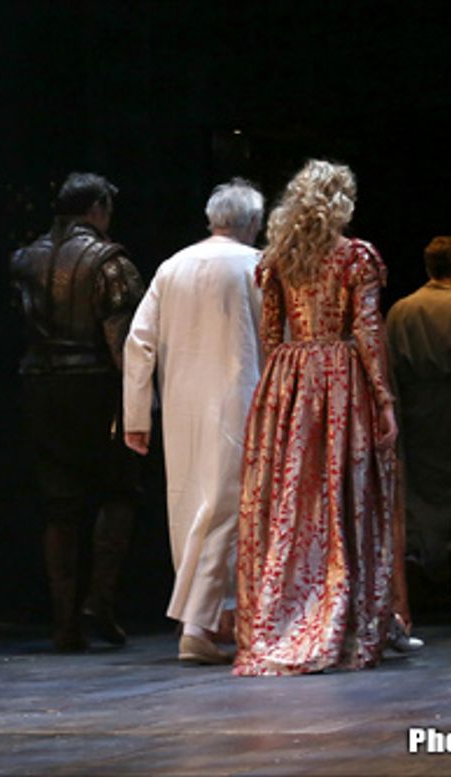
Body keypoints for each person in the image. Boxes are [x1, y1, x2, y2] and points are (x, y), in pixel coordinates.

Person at [234, 159, 405, 676]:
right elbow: (369, 335)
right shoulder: (356, 257)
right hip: (339, 375)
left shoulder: (278, 259)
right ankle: (346, 619)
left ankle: (284, 616)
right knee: (342, 495)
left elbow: (268, 337)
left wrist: (279, 392)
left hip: (288, 378)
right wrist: (384, 399)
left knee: (295, 494)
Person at [123, 179, 265, 665]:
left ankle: (214, 620)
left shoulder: (171, 267)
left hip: (182, 406)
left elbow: (137, 343)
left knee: (192, 510)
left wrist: (137, 416)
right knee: (228, 509)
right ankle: (201, 625)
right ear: (251, 223)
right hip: (242, 398)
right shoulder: (256, 264)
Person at [10, 172, 145, 652]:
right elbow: (122, 339)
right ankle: (99, 602)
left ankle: (64, 622)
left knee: (60, 504)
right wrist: (138, 402)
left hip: (40, 386)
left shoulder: (25, 258)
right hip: (96, 387)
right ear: (97, 208)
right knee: (119, 489)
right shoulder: (109, 261)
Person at [385, 236, 451, 597]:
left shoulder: (401, 310)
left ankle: (423, 559)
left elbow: (387, 366)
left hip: (416, 408)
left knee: (419, 489)